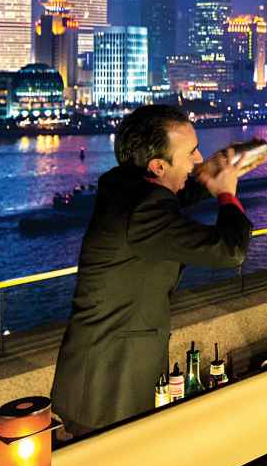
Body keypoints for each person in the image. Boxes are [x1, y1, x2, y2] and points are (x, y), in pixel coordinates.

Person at [50, 104, 251, 437]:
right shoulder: (144, 209)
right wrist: (227, 195)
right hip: (108, 385)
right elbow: (231, 251)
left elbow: (175, 193)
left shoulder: (124, 187)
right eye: (192, 152)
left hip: (96, 372)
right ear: (158, 166)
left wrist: (213, 173)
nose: (199, 158)